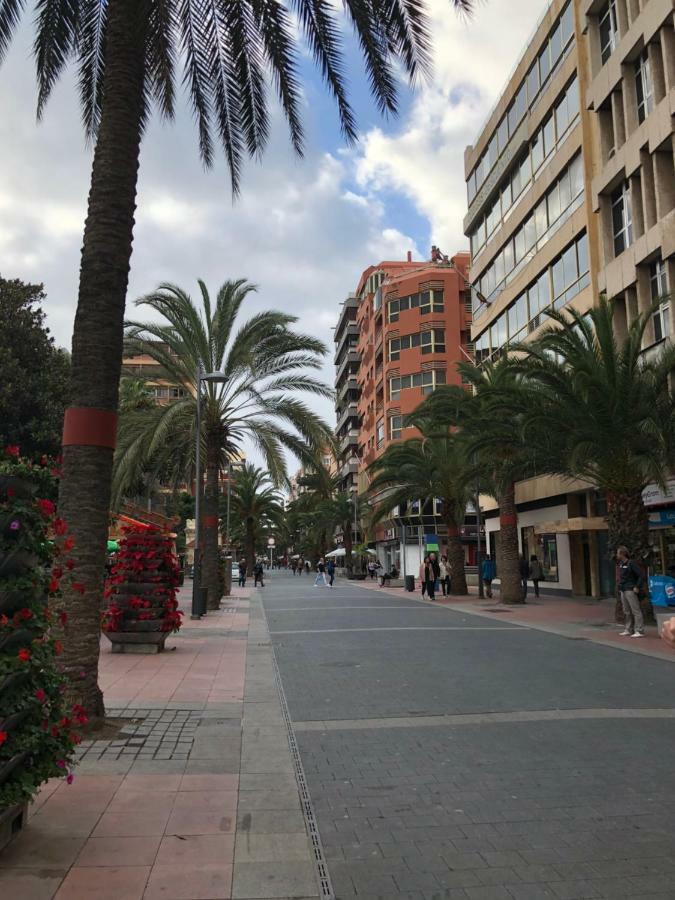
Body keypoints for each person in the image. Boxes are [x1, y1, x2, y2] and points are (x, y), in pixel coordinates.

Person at [616, 545, 646, 637]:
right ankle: (628, 629)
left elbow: (641, 575)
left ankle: (639, 630)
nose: (617, 555)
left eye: (618, 553)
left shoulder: (631, 563)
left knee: (635, 610)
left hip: (630, 589)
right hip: (623, 589)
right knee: (626, 610)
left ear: (622, 554)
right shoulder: (621, 564)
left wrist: (637, 586)